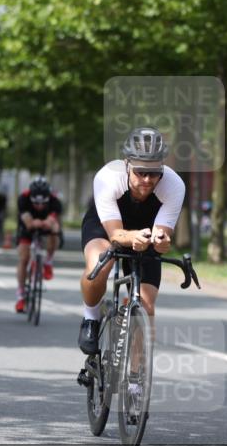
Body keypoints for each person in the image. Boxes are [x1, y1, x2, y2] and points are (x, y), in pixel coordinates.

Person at [78, 126, 185, 355]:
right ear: (126, 163)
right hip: (106, 225)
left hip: (145, 230)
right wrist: (132, 236)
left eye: (154, 173)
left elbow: (162, 235)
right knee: (99, 264)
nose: (147, 180)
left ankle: (136, 382)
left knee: (146, 306)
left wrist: (162, 241)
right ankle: (90, 317)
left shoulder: (174, 185)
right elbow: (116, 235)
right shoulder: (108, 177)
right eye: (140, 172)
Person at [15, 177, 63, 313]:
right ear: (31, 197)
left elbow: (53, 219)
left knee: (55, 230)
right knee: (24, 258)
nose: (40, 206)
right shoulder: (23, 198)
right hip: (27, 226)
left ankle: (48, 261)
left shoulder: (55, 201)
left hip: (45, 223)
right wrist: (33, 222)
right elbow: (28, 222)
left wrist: (50, 222)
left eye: (43, 203)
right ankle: (21, 294)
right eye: (36, 203)